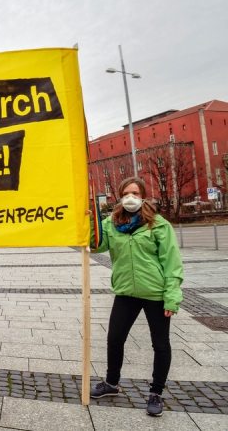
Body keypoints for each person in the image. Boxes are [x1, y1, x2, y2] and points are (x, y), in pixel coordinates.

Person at [89, 176, 183, 417]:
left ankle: (156, 393)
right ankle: (111, 383)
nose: (131, 197)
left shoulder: (159, 225)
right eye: (126, 193)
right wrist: (93, 223)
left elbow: (172, 263)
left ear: (143, 196)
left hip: (155, 294)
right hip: (126, 292)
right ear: (120, 197)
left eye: (135, 193)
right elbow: (96, 246)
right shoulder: (112, 223)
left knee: (160, 344)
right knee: (114, 338)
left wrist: (172, 296)